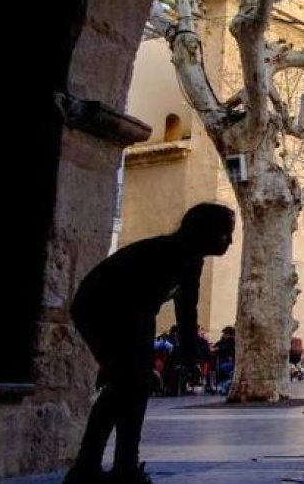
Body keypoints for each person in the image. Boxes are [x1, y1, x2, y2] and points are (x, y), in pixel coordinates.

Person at [65, 202, 235, 484]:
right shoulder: (169, 254)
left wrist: (189, 355)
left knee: (130, 388)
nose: (229, 241)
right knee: (128, 385)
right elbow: (138, 306)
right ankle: (100, 467)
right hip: (101, 308)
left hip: (126, 313)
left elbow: (187, 310)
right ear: (202, 231)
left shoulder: (191, 260)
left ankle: (113, 465)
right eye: (224, 234)